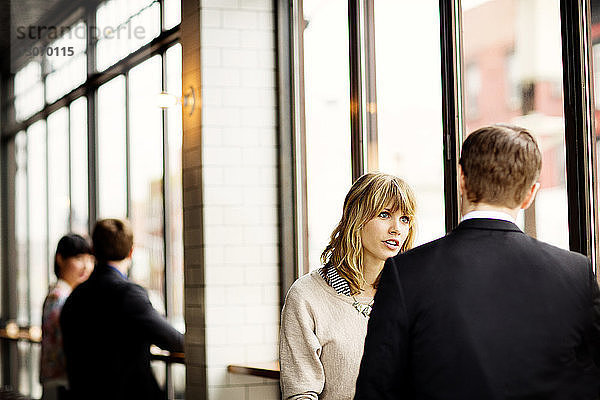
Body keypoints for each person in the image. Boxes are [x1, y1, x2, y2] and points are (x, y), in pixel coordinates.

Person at [354, 125, 600, 399]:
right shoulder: (575, 274)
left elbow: (376, 391)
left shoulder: (406, 273)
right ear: (531, 194)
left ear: (462, 179)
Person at [279, 172, 417, 400]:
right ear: (356, 219)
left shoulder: (411, 294)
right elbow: (301, 394)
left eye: (405, 219)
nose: (397, 229)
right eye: (384, 215)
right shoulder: (306, 296)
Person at [60, 218, 184, 400]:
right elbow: (174, 341)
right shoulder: (129, 294)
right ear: (131, 251)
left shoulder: (74, 297)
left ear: (93, 250)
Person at [40, 234, 94, 400]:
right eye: (78, 258)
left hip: (57, 380)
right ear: (60, 259)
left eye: (90, 259)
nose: (86, 267)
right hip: (61, 382)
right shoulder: (60, 296)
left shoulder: (60, 293)